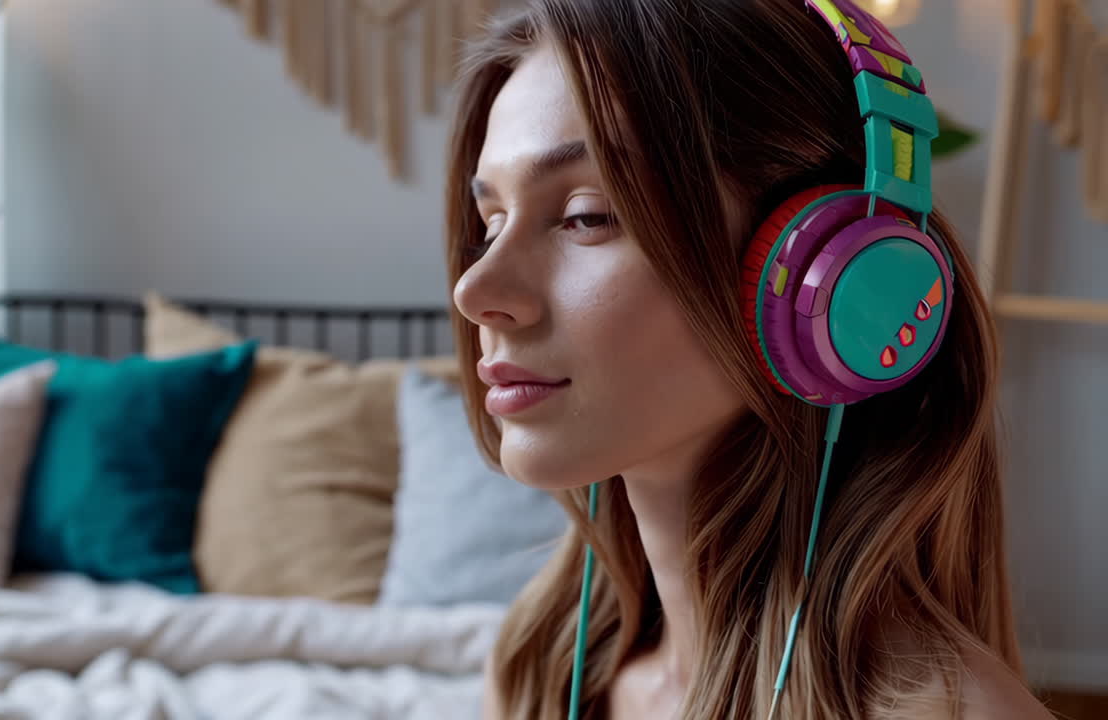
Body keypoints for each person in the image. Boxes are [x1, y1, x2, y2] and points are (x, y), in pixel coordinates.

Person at [444, 1, 1057, 718]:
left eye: (586, 215)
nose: (474, 291)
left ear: (829, 268)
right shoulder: (538, 667)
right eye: (490, 223)